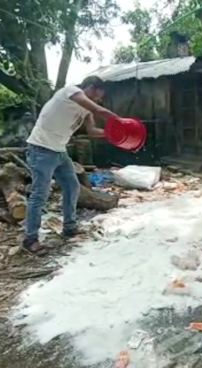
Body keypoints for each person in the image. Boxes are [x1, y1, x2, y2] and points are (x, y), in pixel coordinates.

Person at [23, 76, 119, 252]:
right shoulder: (71, 91)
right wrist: (119, 123)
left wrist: (112, 134)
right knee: (39, 195)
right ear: (90, 87)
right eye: (97, 95)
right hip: (41, 149)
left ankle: (69, 227)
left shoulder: (86, 109)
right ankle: (30, 239)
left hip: (59, 151)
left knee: (72, 187)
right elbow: (98, 110)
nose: (98, 100)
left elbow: (92, 131)